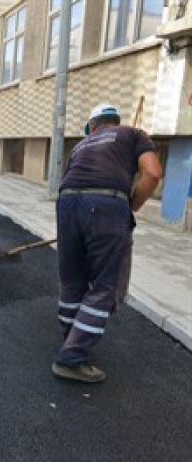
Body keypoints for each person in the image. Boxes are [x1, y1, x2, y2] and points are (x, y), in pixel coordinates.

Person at [52, 103, 162, 383]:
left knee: (72, 278)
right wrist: (131, 205)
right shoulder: (134, 133)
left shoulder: (80, 145)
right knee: (104, 284)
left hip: (66, 203)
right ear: (115, 121)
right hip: (105, 204)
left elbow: (71, 180)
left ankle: (71, 338)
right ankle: (72, 357)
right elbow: (152, 173)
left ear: (91, 126)